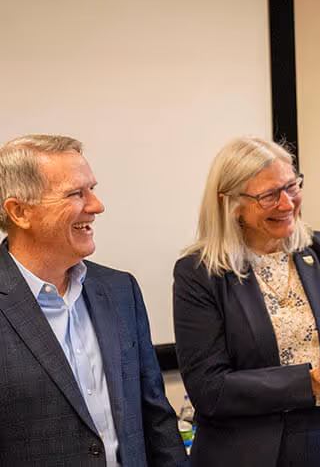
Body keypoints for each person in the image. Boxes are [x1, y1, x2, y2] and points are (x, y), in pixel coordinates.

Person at [172, 137, 320, 467]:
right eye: (269, 195)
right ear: (230, 204)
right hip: (247, 455)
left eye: (292, 187)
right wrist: (311, 381)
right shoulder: (200, 273)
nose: (287, 204)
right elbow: (209, 389)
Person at [0, 134, 186, 466]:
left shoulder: (119, 290)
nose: (96, 206)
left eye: (92, 189)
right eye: (76, 193)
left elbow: (156, 419)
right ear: (19, 212)